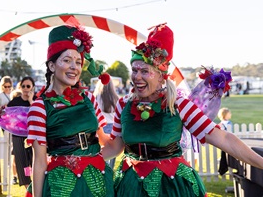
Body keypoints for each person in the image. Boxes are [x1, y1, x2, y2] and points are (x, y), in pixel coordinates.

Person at [101, 23, 263, 197]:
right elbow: (114, 147)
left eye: (145, 71)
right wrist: (81, 158)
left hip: (171, 187)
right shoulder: (123, 105)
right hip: (131, 185)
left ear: (161, 76)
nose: (137, 76)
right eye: (134, 70)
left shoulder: (178, 104)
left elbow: (224, 139)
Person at [26, 24, 114, 197]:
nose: (74, 67)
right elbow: (40, 161)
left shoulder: (89, 98)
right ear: (52, 66)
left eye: (78, 62)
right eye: (67, 60)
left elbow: (106, 142)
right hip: (62, 187)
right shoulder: (40, 107)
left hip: (96, 184)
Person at [8, 76, 36, 188]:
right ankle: (28, 186)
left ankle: (35, 185)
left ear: (32, 87)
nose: (25, 88)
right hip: (18, 137)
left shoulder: (37, 100)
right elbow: (7, 116)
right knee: (22, 162)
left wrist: (30, 101)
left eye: (28, 86)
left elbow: (39, 114)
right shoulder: (14, 102)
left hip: (33, 136)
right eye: (23, 86)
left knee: (33, 161)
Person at [0, 76, 18, 184]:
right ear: (2, 86)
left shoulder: (13, 94)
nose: (7, 88)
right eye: (5, 86)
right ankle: (9, 166)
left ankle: (14, 171)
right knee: (7, 144)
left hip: (13, 123)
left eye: (9, 86)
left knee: (13, 145)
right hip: (3, 123)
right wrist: (5, 107)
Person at [93, 79, 119, 169]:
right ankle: (110, 170)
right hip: (113, 126)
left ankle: (103, 170)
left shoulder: (96, 97)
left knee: (102, 152)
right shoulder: (115, 97)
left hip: (101, 126)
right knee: (113, 151)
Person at [217, 107, 233, 175]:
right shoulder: (228, 123)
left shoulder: (220, 123)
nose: (230, 114)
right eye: (229, 113)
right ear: (225, 114)